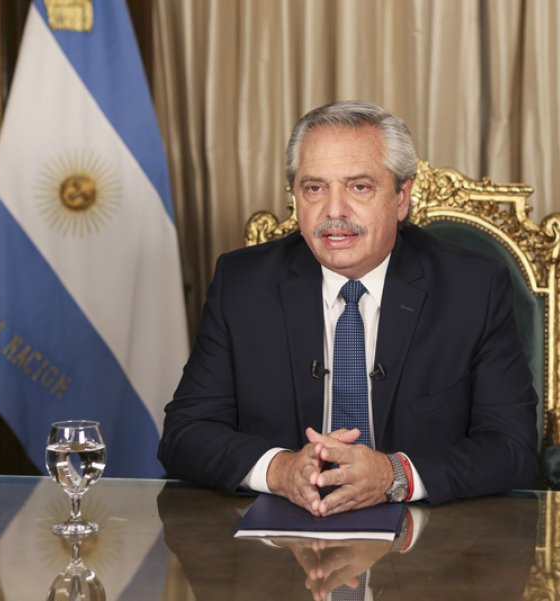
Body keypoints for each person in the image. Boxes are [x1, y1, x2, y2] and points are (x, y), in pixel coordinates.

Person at [158, 100, 539, 516]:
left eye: (359, 187)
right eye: (314, 188)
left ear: (401, 197)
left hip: (426, 547)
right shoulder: (243, 283)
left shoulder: (472, 287)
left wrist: (395, 474)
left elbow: (512, 448)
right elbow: (185, 435)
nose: (334, 212)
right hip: (277, 552)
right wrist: (281, 470)